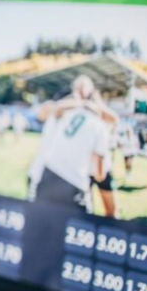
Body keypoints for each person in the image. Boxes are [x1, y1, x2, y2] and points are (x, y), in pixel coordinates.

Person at [31, 77, 113, 214]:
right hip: (74, 182)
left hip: (48, 174)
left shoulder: (66, 112)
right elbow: (99, 175)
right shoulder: (100, 126)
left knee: (40, 225)